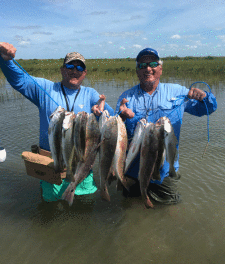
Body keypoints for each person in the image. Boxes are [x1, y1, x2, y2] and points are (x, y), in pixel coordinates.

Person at [0, 42, 114, 202]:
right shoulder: (46, 88)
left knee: (84, 213)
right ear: (62, 70)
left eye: (79, 68)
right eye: (70, 67)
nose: (75, 71)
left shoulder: (91, 94)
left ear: (85, 73)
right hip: (51, 168)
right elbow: (20, 80)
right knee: (50, 215)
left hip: (82, 168)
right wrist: (5, 60)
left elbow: (113, 120)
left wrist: (103, 114)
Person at [117, 47, 217, 204]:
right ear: (137, 71)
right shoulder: (126, 97)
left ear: (160, 69)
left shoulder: (178, 91)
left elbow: (206, 110)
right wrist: (120, 118)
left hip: (163, 171)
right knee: (129, 209)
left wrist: (204, 97)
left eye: (153, 64)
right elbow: (118, 134)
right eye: (142, 65)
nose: (148, 69)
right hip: (133, 170)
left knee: (170, 210)